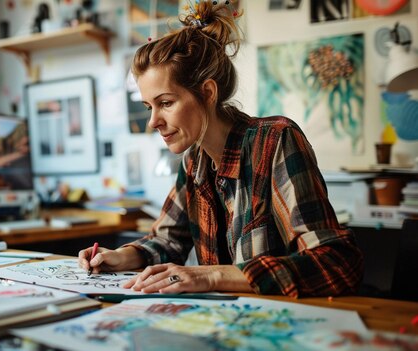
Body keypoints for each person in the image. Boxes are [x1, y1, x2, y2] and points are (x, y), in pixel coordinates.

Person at [78, 1, 363, 298]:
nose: (153, 122)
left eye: (165, 103)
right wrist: (119, 257)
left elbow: (336, 263)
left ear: (208, 93)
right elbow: (167, 240)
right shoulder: (194, 161)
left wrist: (212, 276)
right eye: (149, 106)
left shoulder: (276, 141)